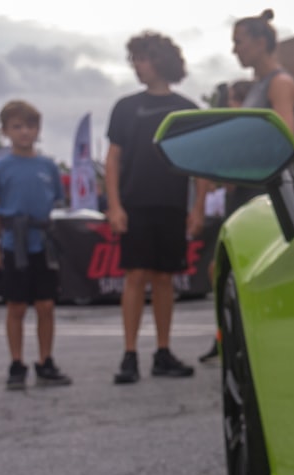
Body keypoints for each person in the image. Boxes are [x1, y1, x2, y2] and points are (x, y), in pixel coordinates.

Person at [105, 31, 208, 384]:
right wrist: (115, 205)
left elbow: (199, 164)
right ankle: (129, 354)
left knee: (165, 278)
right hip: (135, 205)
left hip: (172, 206)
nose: (137, 65)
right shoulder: (125, 107)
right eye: (134, 59)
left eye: (143, 58)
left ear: (162, 61)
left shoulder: (187, 108)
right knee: (135, 276)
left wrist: (198, 208)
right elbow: (113, 160)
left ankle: (163, 352)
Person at [0, 100, 73, 390]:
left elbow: (58, 207)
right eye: (17, 127)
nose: (24, 132)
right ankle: (16, 363)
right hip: (15, 243)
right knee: (15, 306)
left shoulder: (48, 166)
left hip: (43, 243)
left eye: (30, 126)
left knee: (46, 305)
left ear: (37, 130)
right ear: (6, 131)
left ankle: (46, 361)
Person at [198, 78, 254, 364]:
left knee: (227, 269)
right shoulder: (235, 132)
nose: (229, 104)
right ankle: (226, 335)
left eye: (233, 99)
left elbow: (229, 176)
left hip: (250, 202)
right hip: (238, 203)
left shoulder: (249, 132)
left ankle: (234, 336)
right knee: (218, 270)